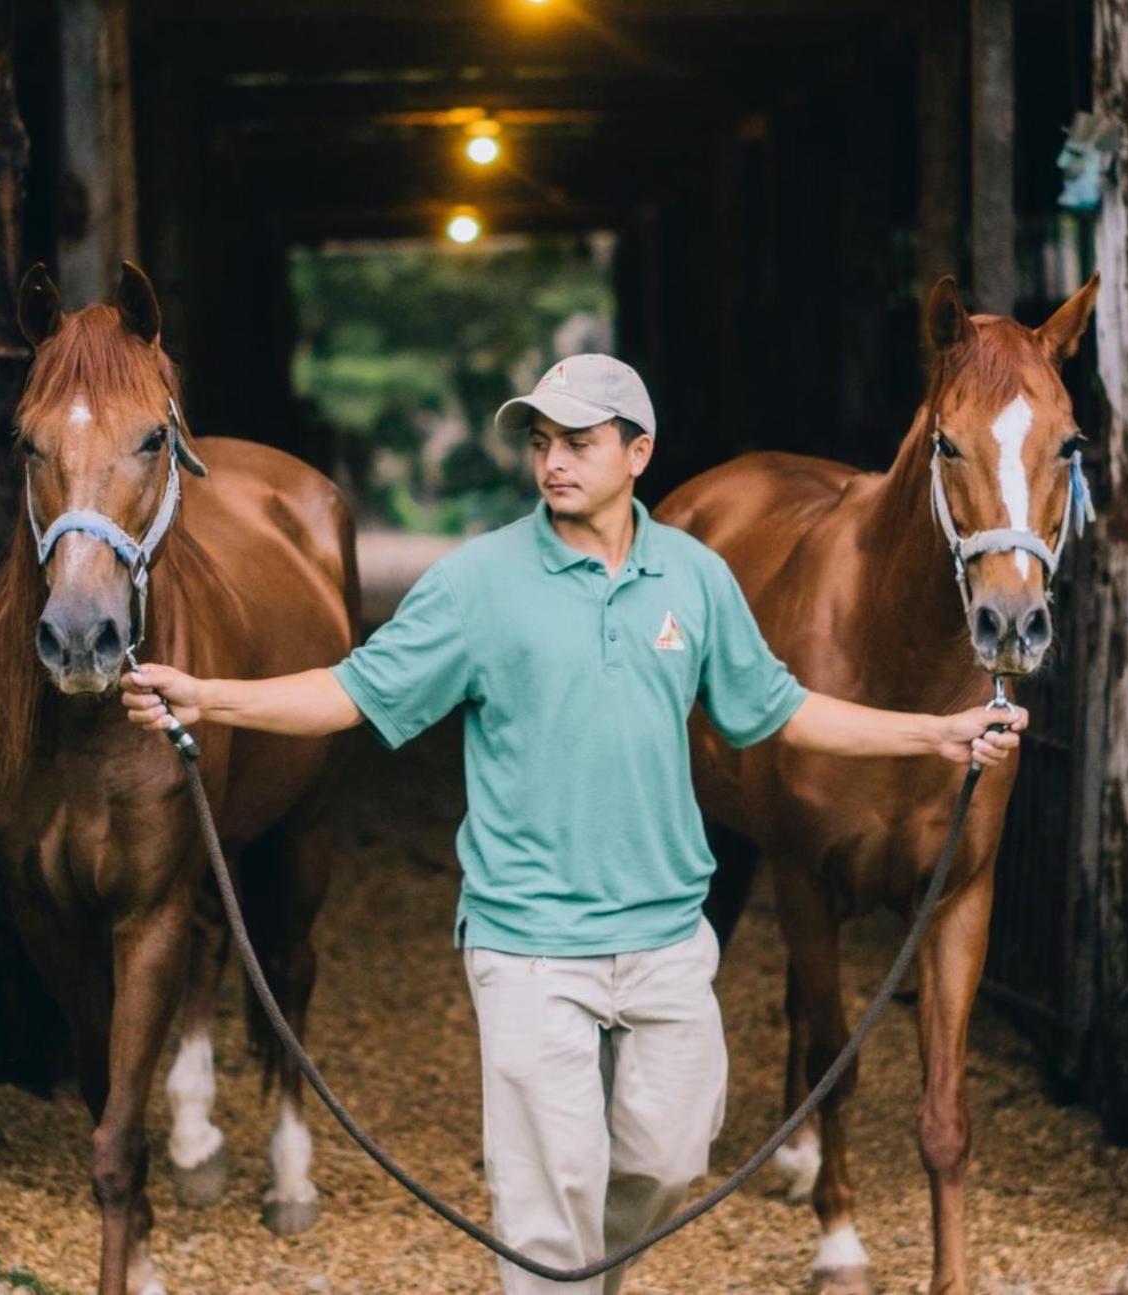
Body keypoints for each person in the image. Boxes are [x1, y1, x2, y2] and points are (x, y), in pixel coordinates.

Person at [121, 354, 1025, 1294]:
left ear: (638, 453)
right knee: (548, 1207)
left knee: (671, 1157)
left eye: (578, 442)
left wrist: (936, 731)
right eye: (541, 441)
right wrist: (209, 698)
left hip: (669, 940)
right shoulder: (477, 583)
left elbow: (782, 708)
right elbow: (346, 693)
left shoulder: (696, 575)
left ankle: (586, 1270)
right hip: (528, 947)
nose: (553, 461)